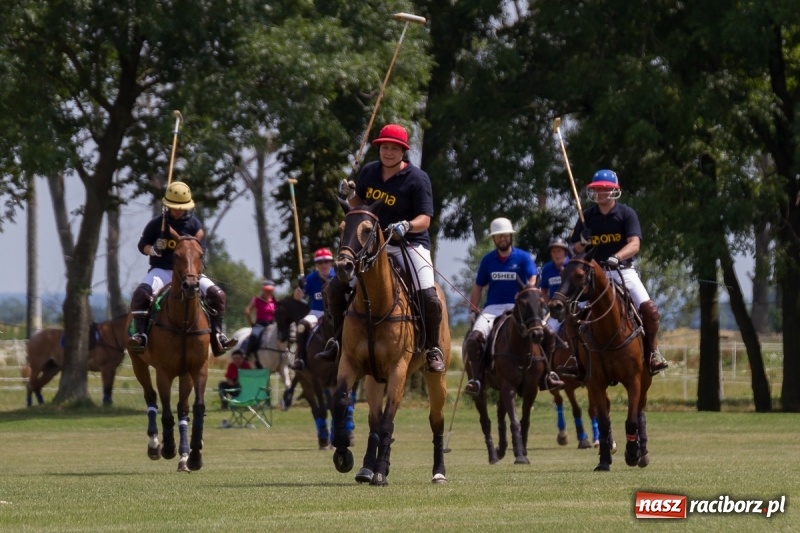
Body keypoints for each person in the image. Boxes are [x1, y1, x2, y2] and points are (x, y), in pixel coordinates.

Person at [315, 123, 446, 373]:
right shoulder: (369, 172)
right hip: (372, 247)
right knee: (335, 288)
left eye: (394, 148)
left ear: (403, 151)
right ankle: (336, 340)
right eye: (385, 147)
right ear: (379, 148)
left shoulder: (417, 179)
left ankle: (432, 349)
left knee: (429, 297)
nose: (388, 152)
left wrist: (407, 225)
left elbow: (426, 219)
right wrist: (350, 194)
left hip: (409, 244)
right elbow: (360, 207)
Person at [562, 169, 668, 376]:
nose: (601, 193)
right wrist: (582, 243)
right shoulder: (586, 217)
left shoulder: (626, 214)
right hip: (592, 275)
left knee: (650, 311)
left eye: (605, 189)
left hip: (623, 271)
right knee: (572, 313)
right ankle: (576, 360)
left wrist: (617, 257)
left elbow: (635, 244)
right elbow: (573, 250)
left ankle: (652, 354)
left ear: (614, 191)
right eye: (597, 189)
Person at [127, 181, 236, 356]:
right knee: (141, 294)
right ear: (167, 205)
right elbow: (142, 246)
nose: (177, 211)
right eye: (173, 207)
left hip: (189, 273)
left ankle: (218, 336)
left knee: (218, 295)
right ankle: (140, 335)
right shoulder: (157, 224)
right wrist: (154, 249)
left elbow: (201, 251)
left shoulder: (194, 225)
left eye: (181, 207)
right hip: (162, 270)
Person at [463, 217, 564, 398]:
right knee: (473, 338)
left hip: (520, 307)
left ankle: (548, 374)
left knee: (548, 333)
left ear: (511, 237)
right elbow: (478, 286)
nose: (503, 239)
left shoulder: (523, 257)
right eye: (499, 236)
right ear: (494, 239)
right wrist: (473, 309)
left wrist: (527, 291)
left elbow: (533, 277)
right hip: (493, 308)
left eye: (505, 236)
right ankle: (477, 379)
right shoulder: (488, 260)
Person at [289, 247, 336, 371]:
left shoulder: (337, 276)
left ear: (331, 262)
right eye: (320, 262)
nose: (323, 265)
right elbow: (297, 297)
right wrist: (300, 287)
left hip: (336, 312)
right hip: (316, 313)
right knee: (301, 326)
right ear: (316, 264)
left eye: (326, 261)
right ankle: (300, 358)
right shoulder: (310, 279)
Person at [539, 237, 571, 334]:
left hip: (572, 307)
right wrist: (549, 304)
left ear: (565, 252)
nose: (556, 254)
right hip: (556, 310)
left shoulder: (572, 265)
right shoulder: (547, 269)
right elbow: (543, 290)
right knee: (548, 332)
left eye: (559, 251)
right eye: (553, 252)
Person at [243, 279, 278, 360]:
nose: (268, 292)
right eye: (266, 290)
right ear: (263, 290)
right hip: (260, 324)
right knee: (254, 335)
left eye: (270, 290)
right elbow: (247, 311)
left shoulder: (275, 301)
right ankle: (247, 354)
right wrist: (251, 323)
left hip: (272, 324)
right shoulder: (257, 300)